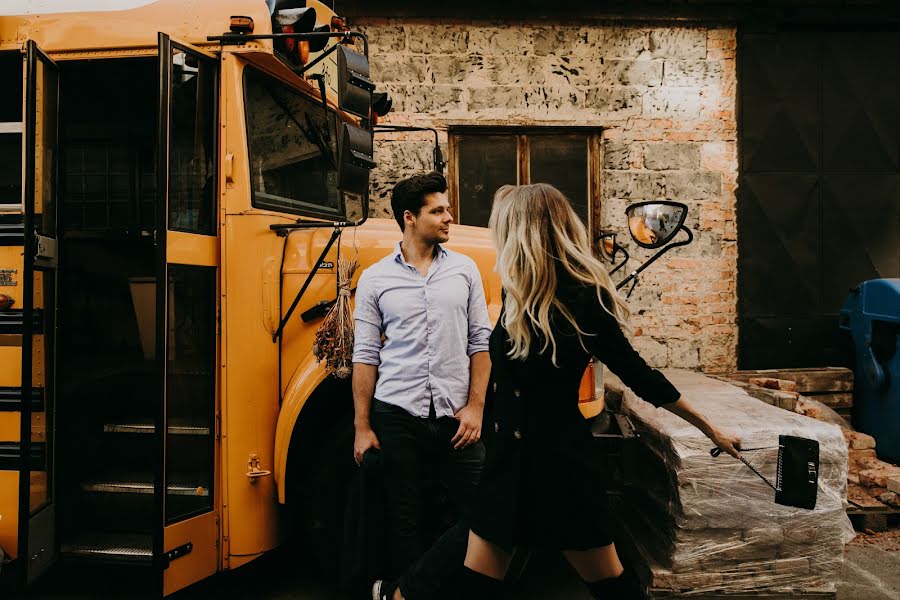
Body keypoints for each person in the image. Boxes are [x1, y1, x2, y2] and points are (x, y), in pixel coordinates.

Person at [458, 183, 742, 599]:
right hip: (507, 465)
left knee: (610, 585)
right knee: (475, 585)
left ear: (521, 231)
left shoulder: (583, 298)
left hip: (560, 466)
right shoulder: (515, 292)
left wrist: (709, 428)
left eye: (499, 226)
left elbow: (638, 375)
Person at [352, 171, 492, 600]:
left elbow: (480, 343)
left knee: (486, 513)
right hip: (397, 414)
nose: (450, 217)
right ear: (410, 218)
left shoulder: (466, 271)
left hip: (456, 418)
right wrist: (362, 426)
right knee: (404, 519)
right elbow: (365, 355)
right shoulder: (375, 279)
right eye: (439, 211)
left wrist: (476, 407)